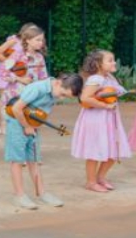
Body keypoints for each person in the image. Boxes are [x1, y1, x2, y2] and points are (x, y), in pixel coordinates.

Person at [6, 74, 82, 210]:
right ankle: (19, 195)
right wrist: (26, 126)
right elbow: (16, 108)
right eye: (63, 94)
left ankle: (41, 193)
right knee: (17, 160)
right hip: (17, 122)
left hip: (31, 124)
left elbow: (39, 112)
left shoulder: (55, 92)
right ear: (58, 83)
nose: (61, 98)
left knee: (34, 159)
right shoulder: (38, 88)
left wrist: (34, 125)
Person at [71, 50, 132, 193]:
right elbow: (85, 98)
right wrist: (105, 105)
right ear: (99, 64)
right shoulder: (96, 79)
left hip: (109, 119)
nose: (114, 62)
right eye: (110, 60)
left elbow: (115, 92)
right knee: (95, 150)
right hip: (96, 119)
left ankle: (101, 177)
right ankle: (91, 182)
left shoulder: (109, 77)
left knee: (113, 150)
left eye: (114, 59)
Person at [0, 25, 48, 140]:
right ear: (28, 40)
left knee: (30, 125)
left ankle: (29, 154)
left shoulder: (40, 57)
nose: (41, 43)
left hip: (31, 96)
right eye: (38, 40)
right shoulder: (17, 54)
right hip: (14, 95)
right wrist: (20, 79)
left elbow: (43, 77)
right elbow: (2, 71)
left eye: (42, 40)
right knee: (16, 128)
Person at [0, 25, 29, 134]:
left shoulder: (29, 44)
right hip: (6, 71)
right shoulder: (13, 40)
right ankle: (3, 124)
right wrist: (12, 64)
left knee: (17, 98)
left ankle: (15, 123)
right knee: (4, 98)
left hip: (19, 74)